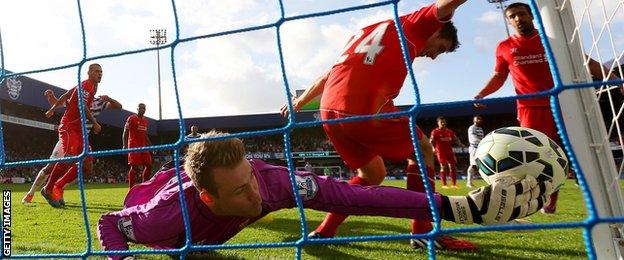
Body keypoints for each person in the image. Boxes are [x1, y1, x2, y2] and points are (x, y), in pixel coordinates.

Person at [97, 130, 552, 260]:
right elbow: (109, 223)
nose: (256, 196)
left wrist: (455, 207)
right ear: (209, 197)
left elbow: (359, 198)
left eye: (251, 177)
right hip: (155, 199)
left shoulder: (272, 183)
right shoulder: (161, 218)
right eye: (240, 189)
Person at [280, 0, 475, 250]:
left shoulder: (371, 30)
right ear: (438, 29)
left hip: (328, 110)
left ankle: (325, 231)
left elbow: (331, 72)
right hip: (363, 108)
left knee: (373, 174)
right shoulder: (417, 23)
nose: (434, 55)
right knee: (424, 150)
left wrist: (300, 101)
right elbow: (447, 4)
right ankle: (423, 233)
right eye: (441, 47)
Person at [473, 2, 620, 214]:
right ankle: (547, 200)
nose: (517, 19)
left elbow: (584, 61)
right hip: (530, 108)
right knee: (540, 155)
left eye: (521, 14)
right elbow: (499, 76)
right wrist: (482, 93)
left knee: (579, 149)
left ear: (532, 15)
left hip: (565, 102)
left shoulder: (552, 41)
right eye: (512, 16)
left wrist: (614, 80)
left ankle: (597, 195)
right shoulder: (504, 47)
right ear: (508, 20)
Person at [22, 89, 122, 204]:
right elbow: (57, 103)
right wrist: (51, 96)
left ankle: (58, 188)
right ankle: (31, 193)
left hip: (83, 139)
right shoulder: (77, 98)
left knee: (87, 168)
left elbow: (118, 106)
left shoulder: (99, 102)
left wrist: (108, 98)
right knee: (50, 167)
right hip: (70, 136)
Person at [40, 63, 103, 207]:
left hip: (79, 128)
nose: (100, 74)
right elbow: (82, 105)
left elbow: (66, 94)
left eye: (101, 72)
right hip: (69, 126)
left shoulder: (90, 87)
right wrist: (94, 122)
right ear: (89, 73)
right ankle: (48, 189)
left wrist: (52, 109)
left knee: (87, 165)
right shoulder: (86, 85)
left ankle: (58, 186)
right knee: (68, 158)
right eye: (96, 71)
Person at [430, 116, 465, 189]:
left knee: (453, 167)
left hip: (450, 151)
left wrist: (460, 144)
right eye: (441, 122)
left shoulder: (450, 131)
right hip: (440, 151)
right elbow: (431, 141)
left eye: (444, 122)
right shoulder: (435, 132)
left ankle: (454, 184)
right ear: (438, 123)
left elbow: (455, 139)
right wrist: (433, 148)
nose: (443, 123)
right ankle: (444, 185)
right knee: (443, 166)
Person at [123, 103, 152, 188]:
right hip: (133, 146)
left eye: (144, 108)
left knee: (149, 165)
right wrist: (124, 145)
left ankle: (144, 186)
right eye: (141, 108)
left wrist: (151, 145)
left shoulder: (145, 121)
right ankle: (131, 188)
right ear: (137, 108)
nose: (142, 109)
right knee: (134, 167)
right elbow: (125, 132)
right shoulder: (131, 118)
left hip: (143, 147)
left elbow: (145, 135)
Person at [466, 115, 484, 188]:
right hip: (474, 148)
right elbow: (473, 138)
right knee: (473, 165)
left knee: (479, 165)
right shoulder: (472, 128)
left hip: (479, 147)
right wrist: (483, 141)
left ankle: (470, 182)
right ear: (474, 120)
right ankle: (469, 183)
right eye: (477, 119)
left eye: (480, 119)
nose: (479, 120)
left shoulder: (480, 128)